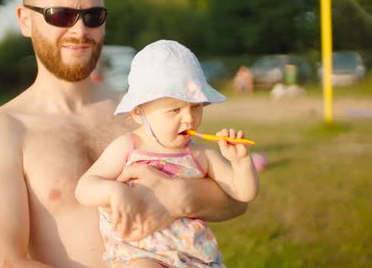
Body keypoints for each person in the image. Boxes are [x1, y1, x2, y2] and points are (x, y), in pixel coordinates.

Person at [0, 0, 248, 267]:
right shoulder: (0, 134)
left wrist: (177, 199)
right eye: (60, 15)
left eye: (93, 15)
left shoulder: (144, 112)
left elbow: (236, 202)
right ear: (25, 20)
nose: (80, 30)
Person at [75, 40, 259, 267]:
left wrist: (240, 162)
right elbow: (84, 188)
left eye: (196, 106)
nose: (189, 118)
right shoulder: (128, 146)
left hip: (195, 258)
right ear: (138, 112)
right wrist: (114, 191)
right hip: (140, 253)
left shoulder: (201, 154)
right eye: (175, 110)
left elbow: (243, 194)